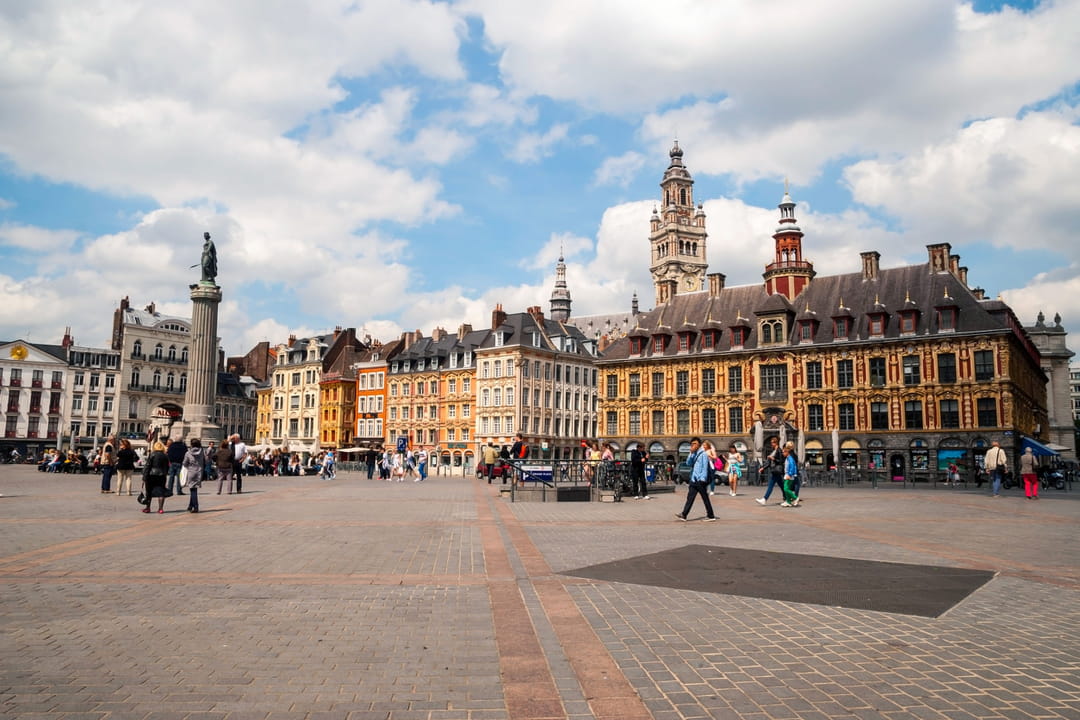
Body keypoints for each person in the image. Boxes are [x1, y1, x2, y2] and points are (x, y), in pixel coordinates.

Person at [675, 438, 717, 522]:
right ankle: (684, 514)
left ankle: (711, 515)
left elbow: (704, 467)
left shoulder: (703, 454)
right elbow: (688, 463)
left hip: (700, 480)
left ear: (699, 445)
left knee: (705, 498)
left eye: (695, 443)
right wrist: (690, 453)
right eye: (692, 444)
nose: (693, 445)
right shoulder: (694, 453)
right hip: (694, 479)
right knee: (690, 498)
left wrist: (703, 479)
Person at [141, 440, 170, 514]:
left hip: (151, 475)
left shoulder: (152, 454)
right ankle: (160, 509)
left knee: (149, 492)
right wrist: (165, 473)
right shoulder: (165, 456)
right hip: (161, 475)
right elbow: (167, 467)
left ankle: (148, 508)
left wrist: (144, 476)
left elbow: (148, 466)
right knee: (161, 492)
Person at [181, 438, 208, 513]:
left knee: (193, 490)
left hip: (191, 472)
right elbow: (206, 460)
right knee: (194, 488)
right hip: (199, 472)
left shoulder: (188, 453)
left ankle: (195, 506)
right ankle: (190, 505)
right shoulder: (202, 452)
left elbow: (185, 463)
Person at [756, 436, 784, 505]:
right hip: (774, 470)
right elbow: (769, 462)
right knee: (782, 486)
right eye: (771, 443)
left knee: (771, 486)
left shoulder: (779, 450)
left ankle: (764, 499)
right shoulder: (774, 450)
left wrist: (773, 458)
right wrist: (763, 468)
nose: (771, 444)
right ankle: (788, 497)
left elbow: (781, 461)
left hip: (776, 470)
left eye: (772, 443)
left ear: (776, 443)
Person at [780, 442, 800, 508]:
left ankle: (795, 497)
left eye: (783, 452)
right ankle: (788, 502)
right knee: (786, 488)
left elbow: (792, 466)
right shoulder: (788, 458)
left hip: (789, 476)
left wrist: (790, 474)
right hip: (787, 475)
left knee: (785, 488)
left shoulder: (790, 458)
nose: (782, 453)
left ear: (787, 452)